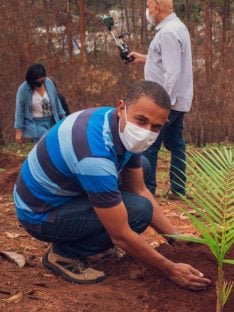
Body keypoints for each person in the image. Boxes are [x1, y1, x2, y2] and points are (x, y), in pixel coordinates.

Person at [13, 80, 210, 290]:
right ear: (121, 108)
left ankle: (89, 239)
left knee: (141, 166)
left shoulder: (116, 125)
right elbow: (121, 235)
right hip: (40, 214)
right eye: (141, 121)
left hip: (62, 192)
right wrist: (171, 269)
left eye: (156, 127)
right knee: (138, 212)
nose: (146, 131)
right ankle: (65, 253)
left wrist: (174, 237)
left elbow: (139, 188)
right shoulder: (94, 157)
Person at [128, 0, 193, 199]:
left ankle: (148, 189)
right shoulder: (175, 28)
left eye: (148, 7)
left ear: (156, 8)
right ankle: (178, 189)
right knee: (176, 143)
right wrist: (142, 57)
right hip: (176, 100)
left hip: (166, 101)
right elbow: (165, 59)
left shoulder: (168, 33)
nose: (147, 11)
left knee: (149, 144)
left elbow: (172, 71)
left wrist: (161, 104)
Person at [14, 63, 66, 144]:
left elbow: (56, 102)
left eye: (42, 80)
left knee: (57, 142)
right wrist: (18, 130)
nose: (40, 83)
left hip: (52, 120)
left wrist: (63, 118)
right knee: (48, 140)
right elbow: (19, 111)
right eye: (38, 81)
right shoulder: (23, 89)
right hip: (37, 123)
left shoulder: (49, 83)